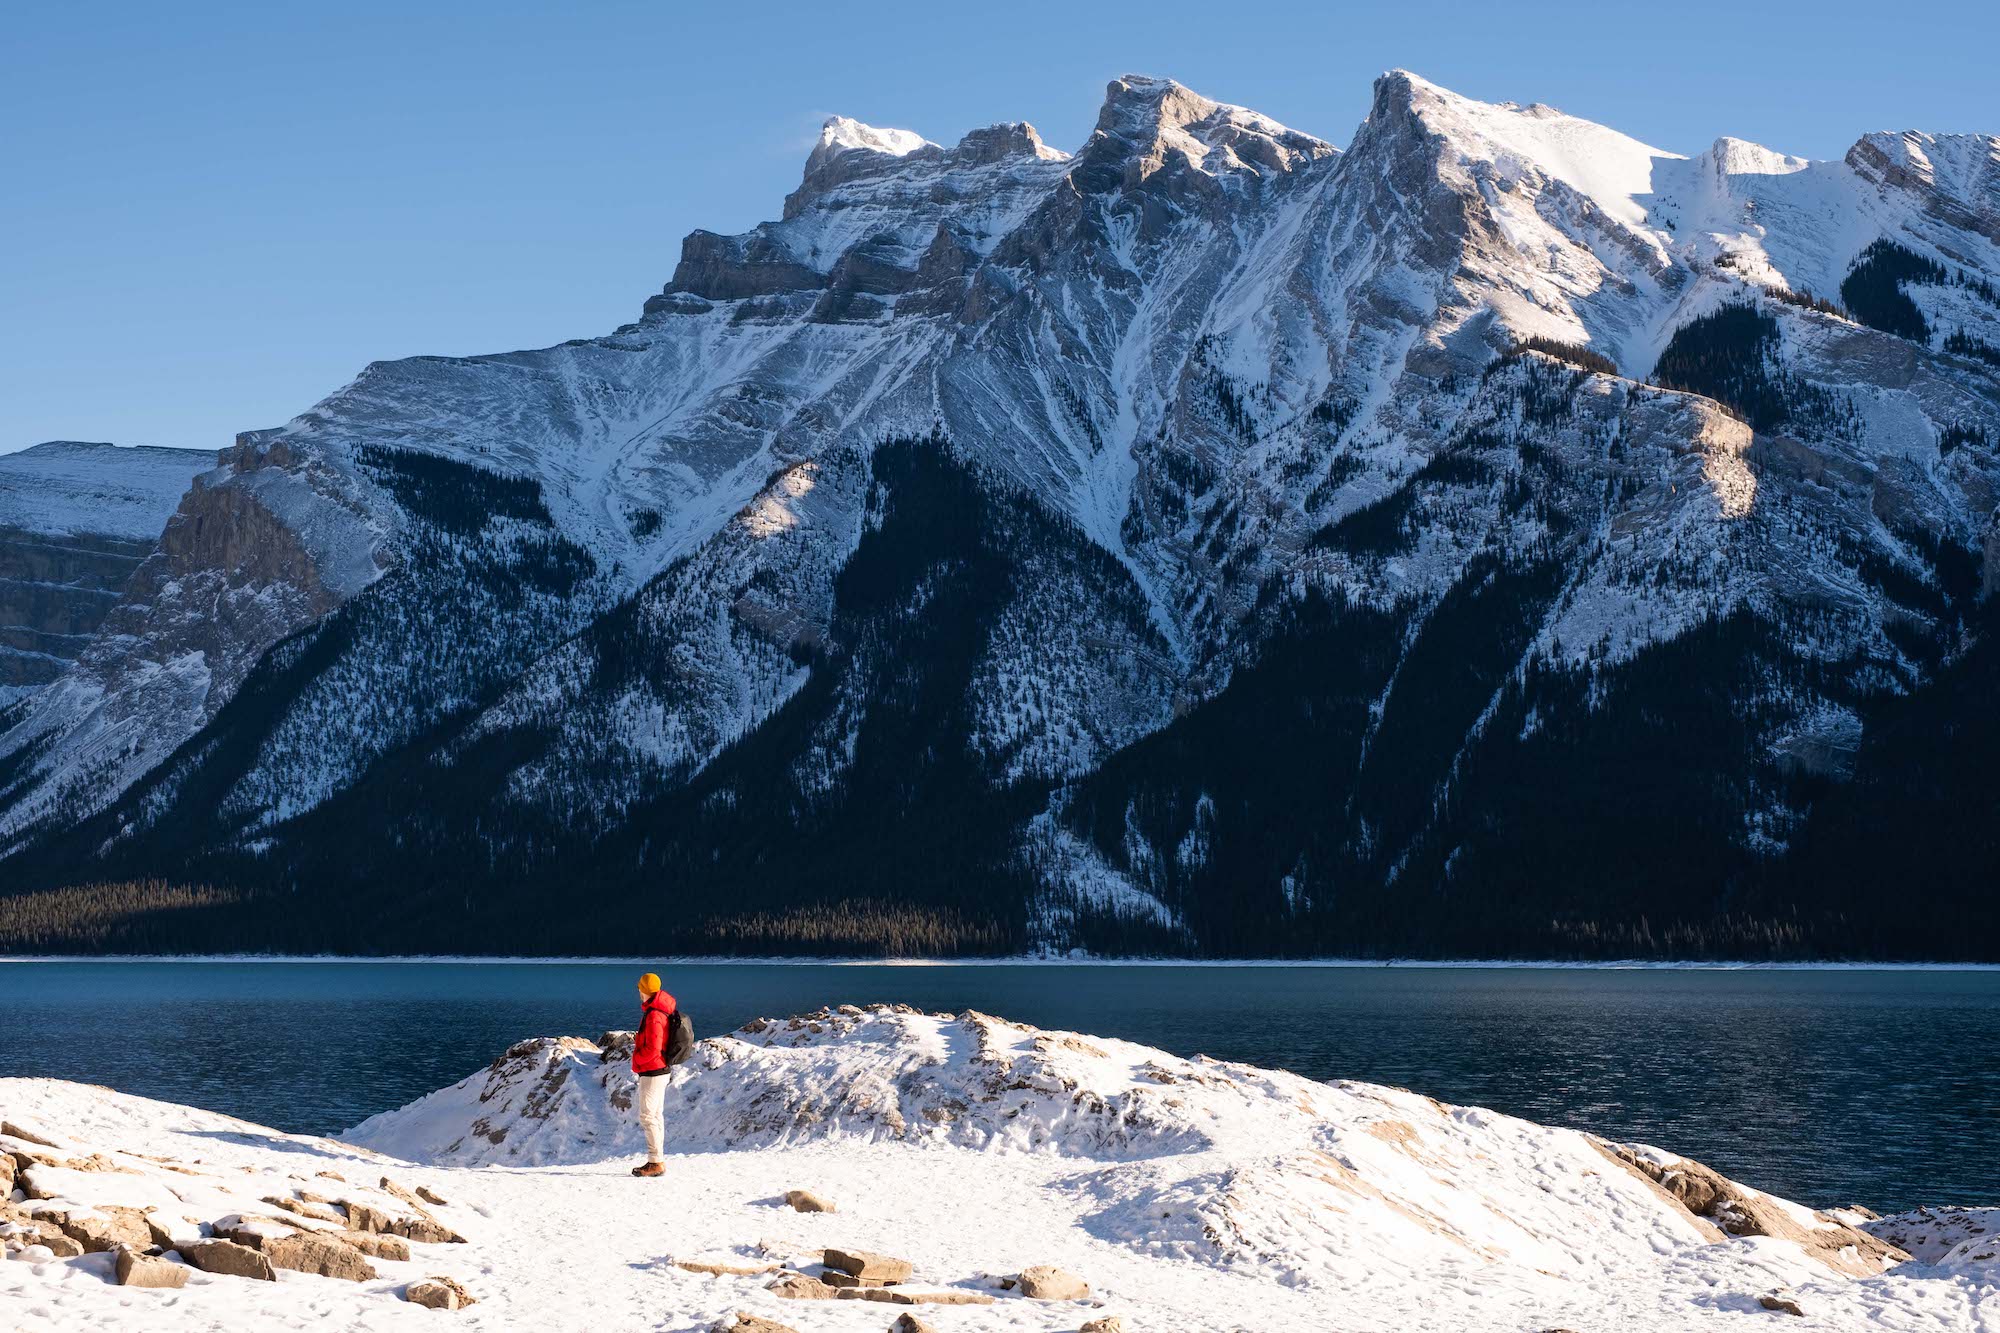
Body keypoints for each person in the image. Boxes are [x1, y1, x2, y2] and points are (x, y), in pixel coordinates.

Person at [630, 971, 677, 1178]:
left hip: (653, 1070)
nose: (638, 991)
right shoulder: (659, 1010)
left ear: (644, 990)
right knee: (655, 1115)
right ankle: (657, 1159)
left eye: (640, 987)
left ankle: (655, 1161)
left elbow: (653, 1049)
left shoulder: (654, 1015)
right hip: (660, 1069)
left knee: (648, 1116)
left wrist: (636, 1060)